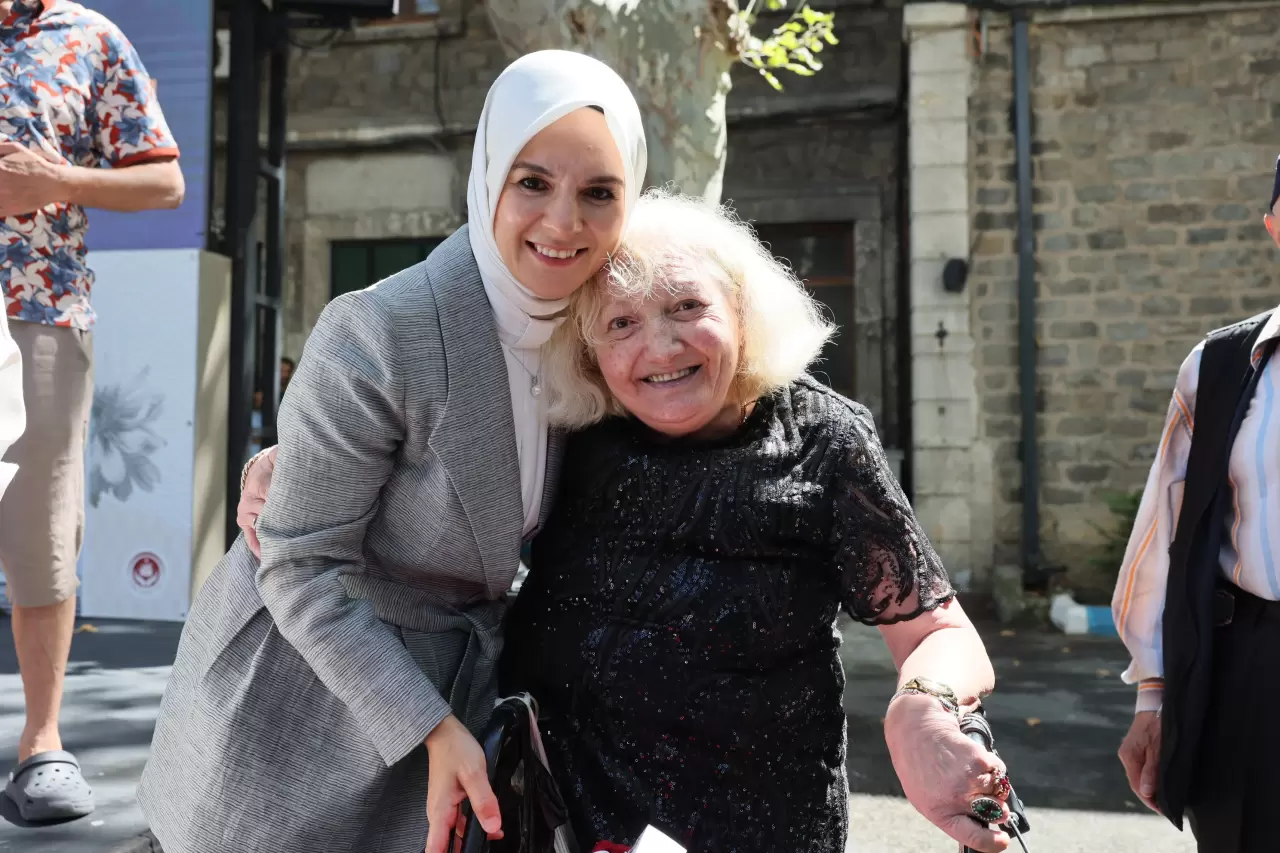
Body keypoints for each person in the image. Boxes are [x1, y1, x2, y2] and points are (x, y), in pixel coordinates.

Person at [241, 192, 1016, 853]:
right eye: (620, 323)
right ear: (587, 350)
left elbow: (937, 629)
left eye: (687, 307)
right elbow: (424, 458)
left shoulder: (823, 439)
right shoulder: (575, 426)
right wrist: (298, 464)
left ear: (742, 311)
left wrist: (923, 707)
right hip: (561, 819)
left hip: (757, 828)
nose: (661, 347)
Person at [139, 50, 648, 853]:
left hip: (458, 699)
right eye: (533, 182)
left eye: (599, 193)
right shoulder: (383, 327)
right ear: (489, 178)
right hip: (304, 701)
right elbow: (300, 564)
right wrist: (431, 726)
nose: (564, 221)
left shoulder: (601, 334)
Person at [0, 0, 184, 823]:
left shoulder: (88, 37)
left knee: (41, 531)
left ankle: (41, 744)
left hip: (37, 314)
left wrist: (58, 182)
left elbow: (164, 180)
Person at [1113, 157, 1280, 851]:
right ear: (1275, 225)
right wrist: (1154, 694)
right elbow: (1165, 535)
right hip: (1253, 677)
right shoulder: (1219, 367)